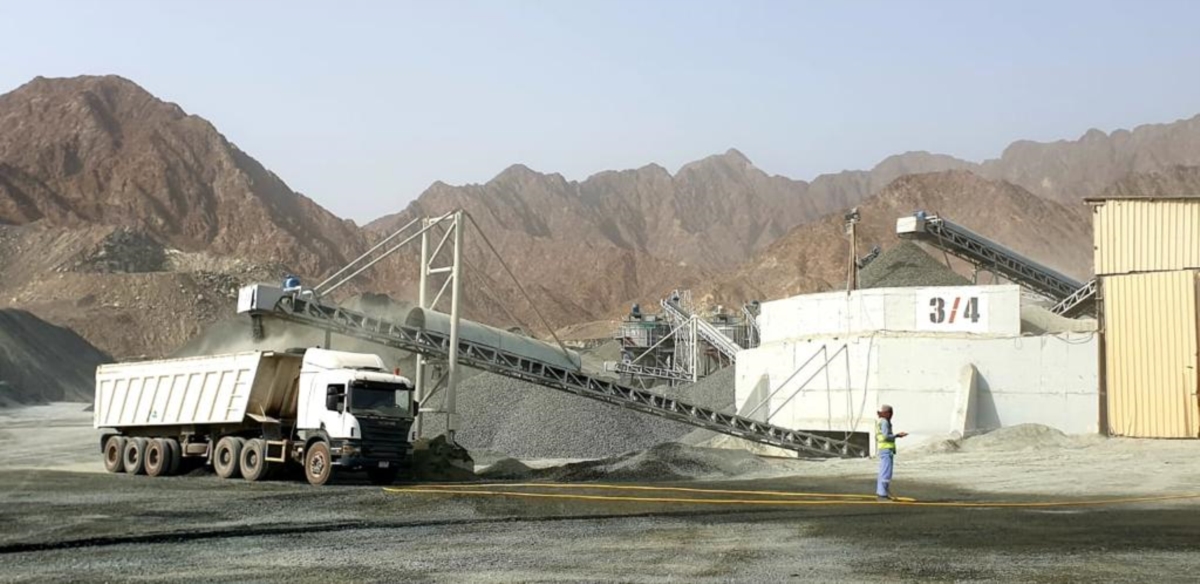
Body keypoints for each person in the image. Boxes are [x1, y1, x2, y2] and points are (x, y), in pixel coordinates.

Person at [876, 404, 908, 501]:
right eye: (891, 413)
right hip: (886, 450)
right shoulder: (885, 422)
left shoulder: (880, 421)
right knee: (886, 472)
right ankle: (882, 494)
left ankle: (881, 493)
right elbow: (886, 436)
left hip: (883, 449)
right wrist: (896, 436)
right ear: (888, 413)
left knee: (883, 471)